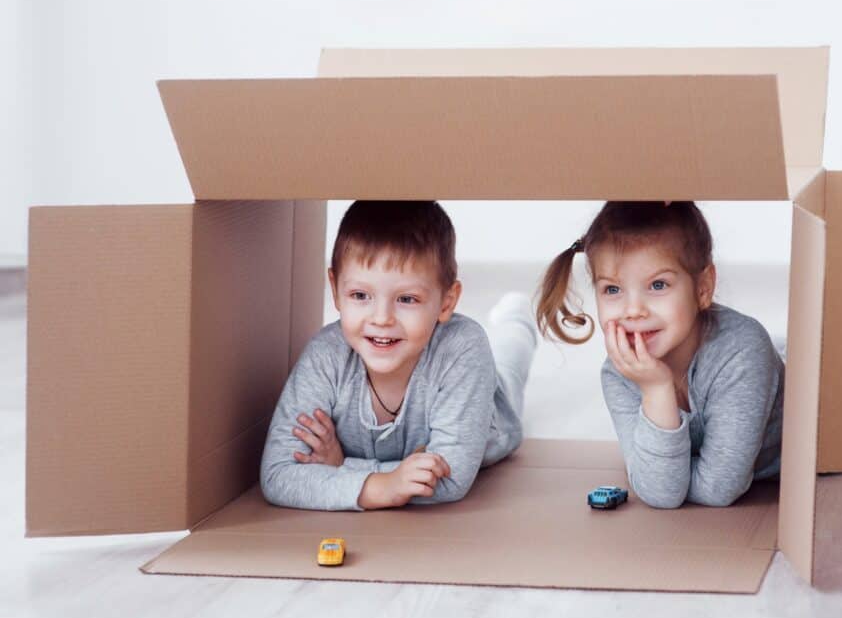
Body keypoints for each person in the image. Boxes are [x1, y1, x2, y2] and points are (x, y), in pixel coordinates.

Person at [260, 201, 536, 511]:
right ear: (336, 289)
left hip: (490, 418)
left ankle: (518, 317)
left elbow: (450, 479)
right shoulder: (326, 357)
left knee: (509, 364)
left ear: (446, 302)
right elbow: (278, 475)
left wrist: (344, 469)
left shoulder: (463, 348)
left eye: (406, 299)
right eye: (360, 296)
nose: (381, 318)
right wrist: (386, 483)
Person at [535, 201, 784, 508]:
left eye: (657, 284)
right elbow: (660, 493)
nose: (634, 310)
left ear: (703, 288)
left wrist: (677, 478)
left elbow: (717, 490)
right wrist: (656, 389)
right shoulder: (619, 372)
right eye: (612, 290)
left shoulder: (741, 352)